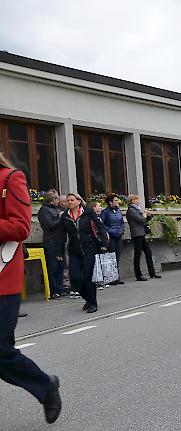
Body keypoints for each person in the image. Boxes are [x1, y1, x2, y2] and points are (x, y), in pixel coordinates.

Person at [0, 153, 62, 424]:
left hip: (2, 279)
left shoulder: (11, 178)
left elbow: (21, 226)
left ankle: (45, 386)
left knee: (1, 351)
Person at [61, 193, 109, 313]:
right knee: (75, 277)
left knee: (88, 276)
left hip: (89, 248)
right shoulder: (65, 216)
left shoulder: (88, 212)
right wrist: (59, 251)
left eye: (72, 200)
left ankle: (92, 303)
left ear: (79, 201)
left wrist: (104, 244)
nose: (69, 202)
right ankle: (87, 298)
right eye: (68, 200)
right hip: (74, 250)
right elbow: (61, 234)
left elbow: (100, 227)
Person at [37, 190, 66, 299]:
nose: (58, 201)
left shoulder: (57, 209)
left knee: (60, 266)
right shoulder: (44, 210)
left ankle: (60, 288)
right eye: (57, 199)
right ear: (53, 200)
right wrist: (60, 218)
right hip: (51, 241)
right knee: (52, 266)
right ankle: (53, 290)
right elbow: (50, 225)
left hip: (60, 240)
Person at [126, 195, 160, 282]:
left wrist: (149, 216)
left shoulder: (137, 209)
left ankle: (152, 272)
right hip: (137, 234)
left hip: (142, 233)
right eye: (136, 199)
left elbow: (144, 221)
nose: (138, 201)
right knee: (137, 254)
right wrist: (144, 215)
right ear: (132, 201)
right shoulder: (131, 210)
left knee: (148, 253)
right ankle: (138, 275)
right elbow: (140, 220)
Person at [100, 193, 125, 285]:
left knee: (117, 256)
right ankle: (111, 278)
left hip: (118, 236)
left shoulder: (118, 211)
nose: (118, 202)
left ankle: (116, 276)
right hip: (111, 237)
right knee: (111, 257)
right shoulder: (105, 212)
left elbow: (122, 222)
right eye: (116, 200)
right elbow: (102, 224)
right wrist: (110, 230)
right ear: (110, 202)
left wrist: (122, 230)